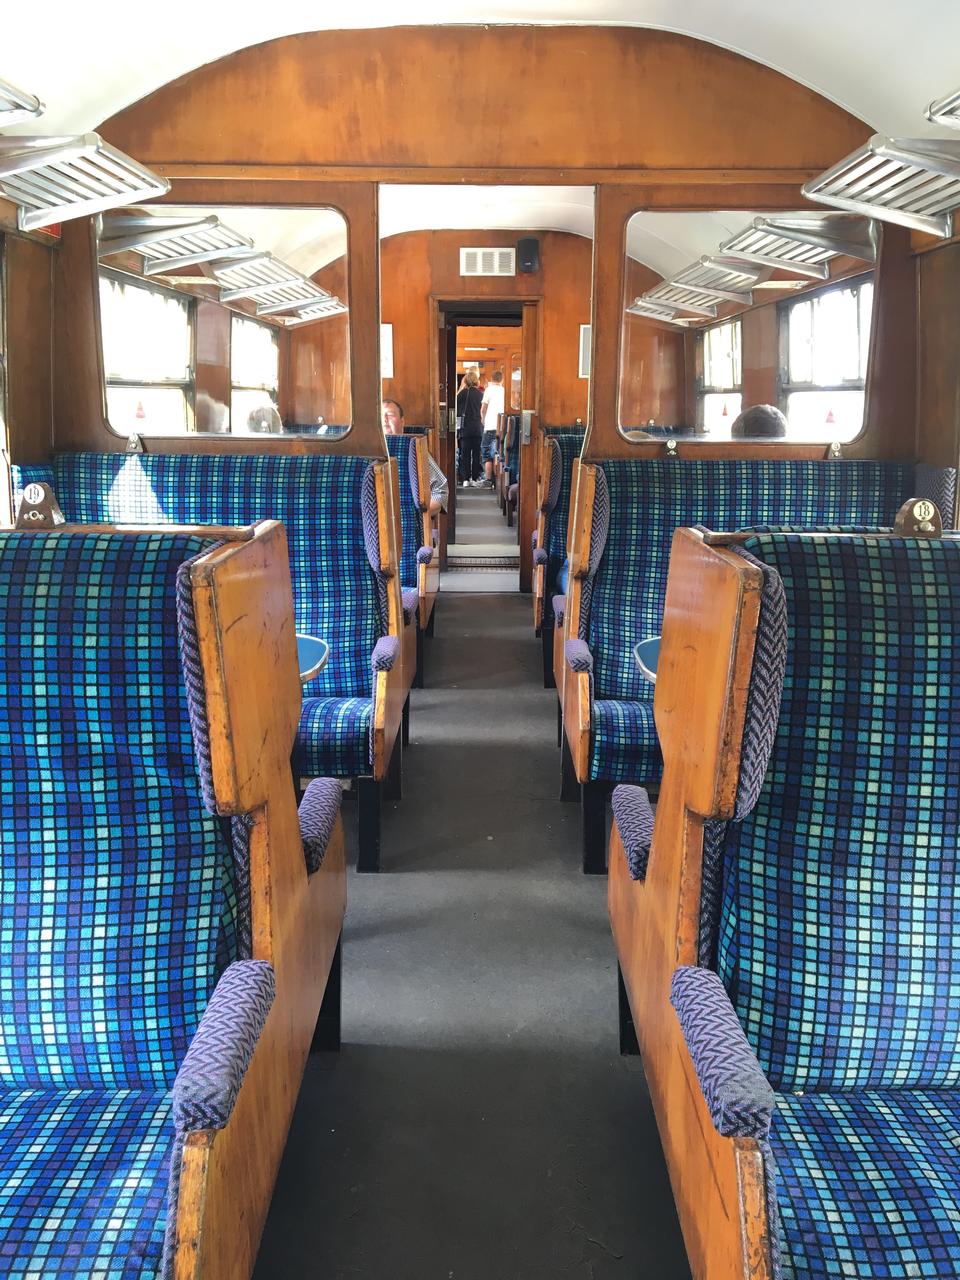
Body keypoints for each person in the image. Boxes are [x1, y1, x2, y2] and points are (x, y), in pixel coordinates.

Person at [382, 398, 447, 515]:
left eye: (390, 415)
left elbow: (440, 492)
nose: (385, 419)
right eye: (381, 415)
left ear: (402, 422)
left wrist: (417, 516)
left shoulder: (414, 450)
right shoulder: (363, 452)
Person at [456, 369, 484, 486]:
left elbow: (456, 411)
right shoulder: (481, 394)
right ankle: (476, 477)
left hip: (465, 429)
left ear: (466, 381)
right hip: (477, 428)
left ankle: (465, 479)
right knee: (477, 453)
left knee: (465, 454)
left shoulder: (462, 394)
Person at [480, 370, 505, 487]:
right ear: (502, 379)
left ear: (492, 378)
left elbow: (483, 408)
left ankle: (489, 479)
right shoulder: (504, 391)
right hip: (502, 426)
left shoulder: (488, 390)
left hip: (489, 426)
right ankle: (499, 481)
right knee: (500, 453)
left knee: (486, 453)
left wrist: (483, 419)